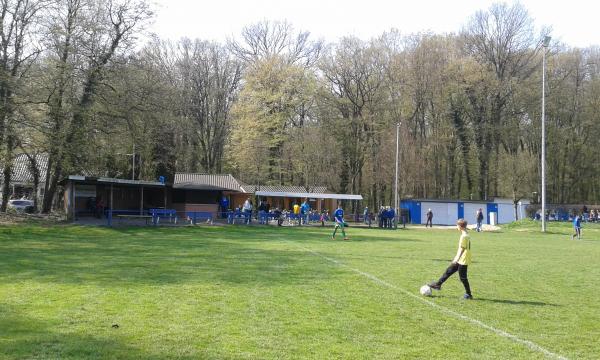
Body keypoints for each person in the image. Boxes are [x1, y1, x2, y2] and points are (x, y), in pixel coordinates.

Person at [428, 219, 473, 299]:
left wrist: (456, 259)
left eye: (457, 225)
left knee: (463, 278)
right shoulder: (466, 234)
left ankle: (469, 294)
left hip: (463, 259)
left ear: (460, 226)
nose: (456, 227)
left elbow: (462, 249)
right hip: (462, 258)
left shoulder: (464, 236)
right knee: (449, 271)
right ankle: (438, 284)